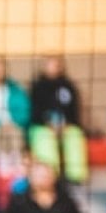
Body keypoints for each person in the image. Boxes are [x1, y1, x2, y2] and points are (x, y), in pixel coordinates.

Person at [29, 55, 88, 185]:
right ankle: (51, 177)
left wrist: (66, 125)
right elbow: (34, 114)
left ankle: (75, 178)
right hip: (42, 127)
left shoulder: (68, 87)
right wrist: (48, 125)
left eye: (56, 64)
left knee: (75, 134)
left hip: (66, 126)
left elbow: (74, 112)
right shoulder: (37, 87)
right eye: (50, 63)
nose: (53, 67)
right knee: (45, 137)